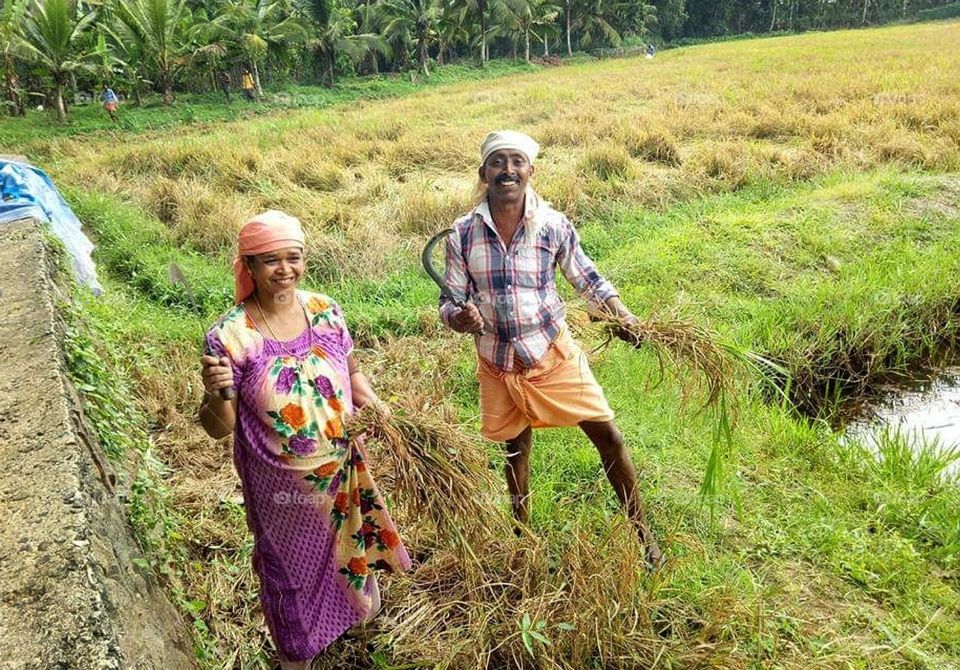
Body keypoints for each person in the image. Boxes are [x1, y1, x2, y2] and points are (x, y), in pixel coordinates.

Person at [438, 130, 663, 568]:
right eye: (497, 162)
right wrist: (458, 317)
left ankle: (644, 536)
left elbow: (587, 278)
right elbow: (449, 300)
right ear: (483, 173)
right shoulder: (461, 234)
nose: (507, 170)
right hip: (498, 360)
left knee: (609, 437)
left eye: (516, 162)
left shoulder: (553, 225)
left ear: (530, 171)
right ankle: (522, 538)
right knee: (514, 451)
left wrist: (621, 313)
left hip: (550, 353)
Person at [200, 210, 411, 669]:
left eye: (292, 257)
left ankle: (355, 627)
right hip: (283, 494)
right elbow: (219, 426)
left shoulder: (325, 311)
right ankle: (297, 657)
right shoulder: (230, 337)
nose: (284, 270)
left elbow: (353, 374)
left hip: (343, 471)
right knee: (293, 576)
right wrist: (215, 393)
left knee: (351, 549)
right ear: (249, 265)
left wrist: (378, 407)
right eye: (270, 260)